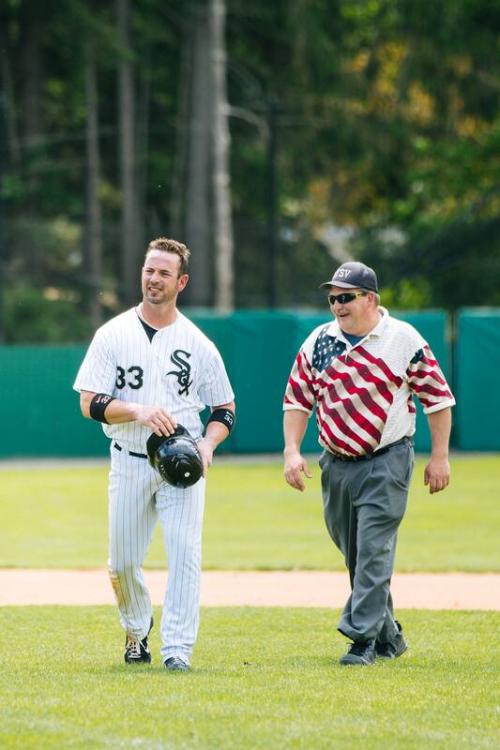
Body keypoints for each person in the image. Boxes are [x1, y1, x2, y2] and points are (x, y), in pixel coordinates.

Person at [73, 237, 235, 672]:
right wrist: (138, 410)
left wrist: (208, 443)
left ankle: (177, 650)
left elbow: (224, 409)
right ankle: (136, 628)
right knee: (122, 561)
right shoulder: (113, 334)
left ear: (181, 281)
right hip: (128, 457)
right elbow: (88, 402)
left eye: (164, 272)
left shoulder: (198, 344)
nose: (153, 279)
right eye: (149, 270)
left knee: (185, 553)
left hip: (183, 464)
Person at [282, 261, 455, 666]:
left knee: (374, 550)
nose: (337, 306)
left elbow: (438, 399)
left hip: (388, 460)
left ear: (371, 300)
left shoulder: (402, 339)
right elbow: (297, 401)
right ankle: (389, 635)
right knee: (357, 555)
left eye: (346, 297)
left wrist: (440, 457)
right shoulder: (318, 342)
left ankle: (361, 640)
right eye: (332, 299)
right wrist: (292, 450)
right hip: (336, 463)